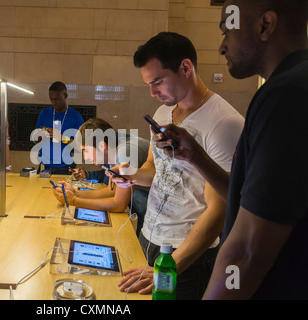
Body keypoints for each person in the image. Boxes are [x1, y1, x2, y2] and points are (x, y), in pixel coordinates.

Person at [156, 0, 308, 300]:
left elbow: (246, 252)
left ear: (265, 25)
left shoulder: (287, 95)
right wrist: (195, 155)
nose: (222, 47)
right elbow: (249, 202)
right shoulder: (286, 88)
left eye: (228, 31)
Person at [113, 32, 244, 299]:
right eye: (148, 84)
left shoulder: (224, 124)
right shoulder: (163, 113)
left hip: (185, 255)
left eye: (158, 82)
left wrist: (170, 266)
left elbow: (218, 212)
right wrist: (131, 175)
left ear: (185, 68)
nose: (153, 92)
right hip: (150, 236)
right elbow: (155, 168)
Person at [53, 118, 150, 234]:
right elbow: (111, 190)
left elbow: (119, 204)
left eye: (86, 151)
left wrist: (73, 201)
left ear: (101, 146)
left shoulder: (125, 152)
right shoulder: (112, 145)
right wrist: (75, 193)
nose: (85, 157)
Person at [36, 81, 84, 174]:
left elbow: (80, 145)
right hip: (44, 164)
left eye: (57, 99)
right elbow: (36, 139)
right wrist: (41, 135)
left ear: (65, 96)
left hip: (65, 166)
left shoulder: (75, 116)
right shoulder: (44, 113)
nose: (54, 102)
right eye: (51, 99)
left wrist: (62, 138)